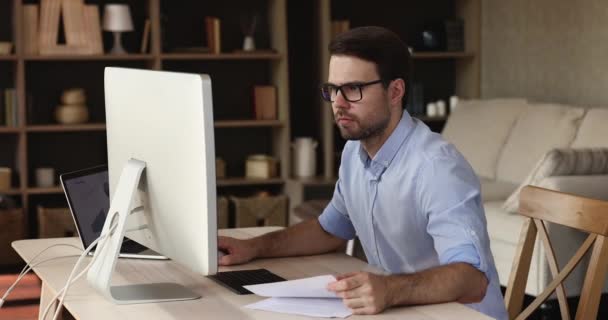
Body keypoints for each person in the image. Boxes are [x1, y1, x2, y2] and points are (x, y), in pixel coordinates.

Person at [218, 26, 507, 319]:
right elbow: (330, 230)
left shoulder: (437, 168)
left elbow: (473, 279)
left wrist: (390, 289)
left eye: (353, 89)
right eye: (333, 90)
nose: (338, 103)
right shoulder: (354, 154)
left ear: (395, 91)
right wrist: (254, 247)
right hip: (401, 309)